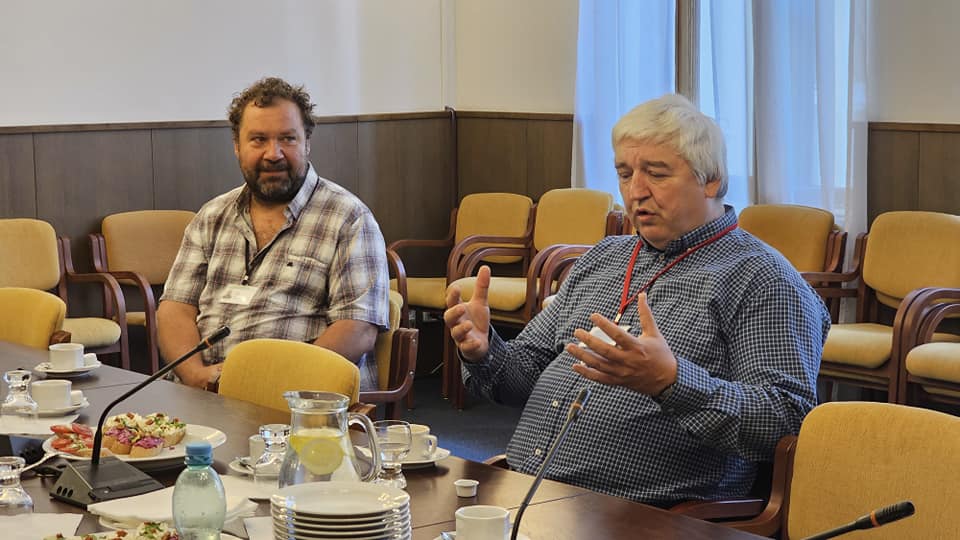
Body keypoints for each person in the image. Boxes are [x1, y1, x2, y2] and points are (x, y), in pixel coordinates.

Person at [444, 94, 830, 506]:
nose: (636, 191)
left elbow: (787, 419)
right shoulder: (602, 258)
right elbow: (523, 375)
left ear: (712, 180)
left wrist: (671, 382)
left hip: (647, 517)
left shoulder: (762, 279)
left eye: (657, 174)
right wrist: (485, 352)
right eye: (625, 174)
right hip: (526, 493)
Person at [158, 77, 389, 391]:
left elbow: (357, 329)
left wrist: (269, 383)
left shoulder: (349, 219)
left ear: (307, 143)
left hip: (295, 401)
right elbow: (175, 309)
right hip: (202, 394)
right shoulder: (211, 216)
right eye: (258, 140)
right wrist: (195, 376)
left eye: (287, 139)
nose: (273, 153)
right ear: (237, 147)